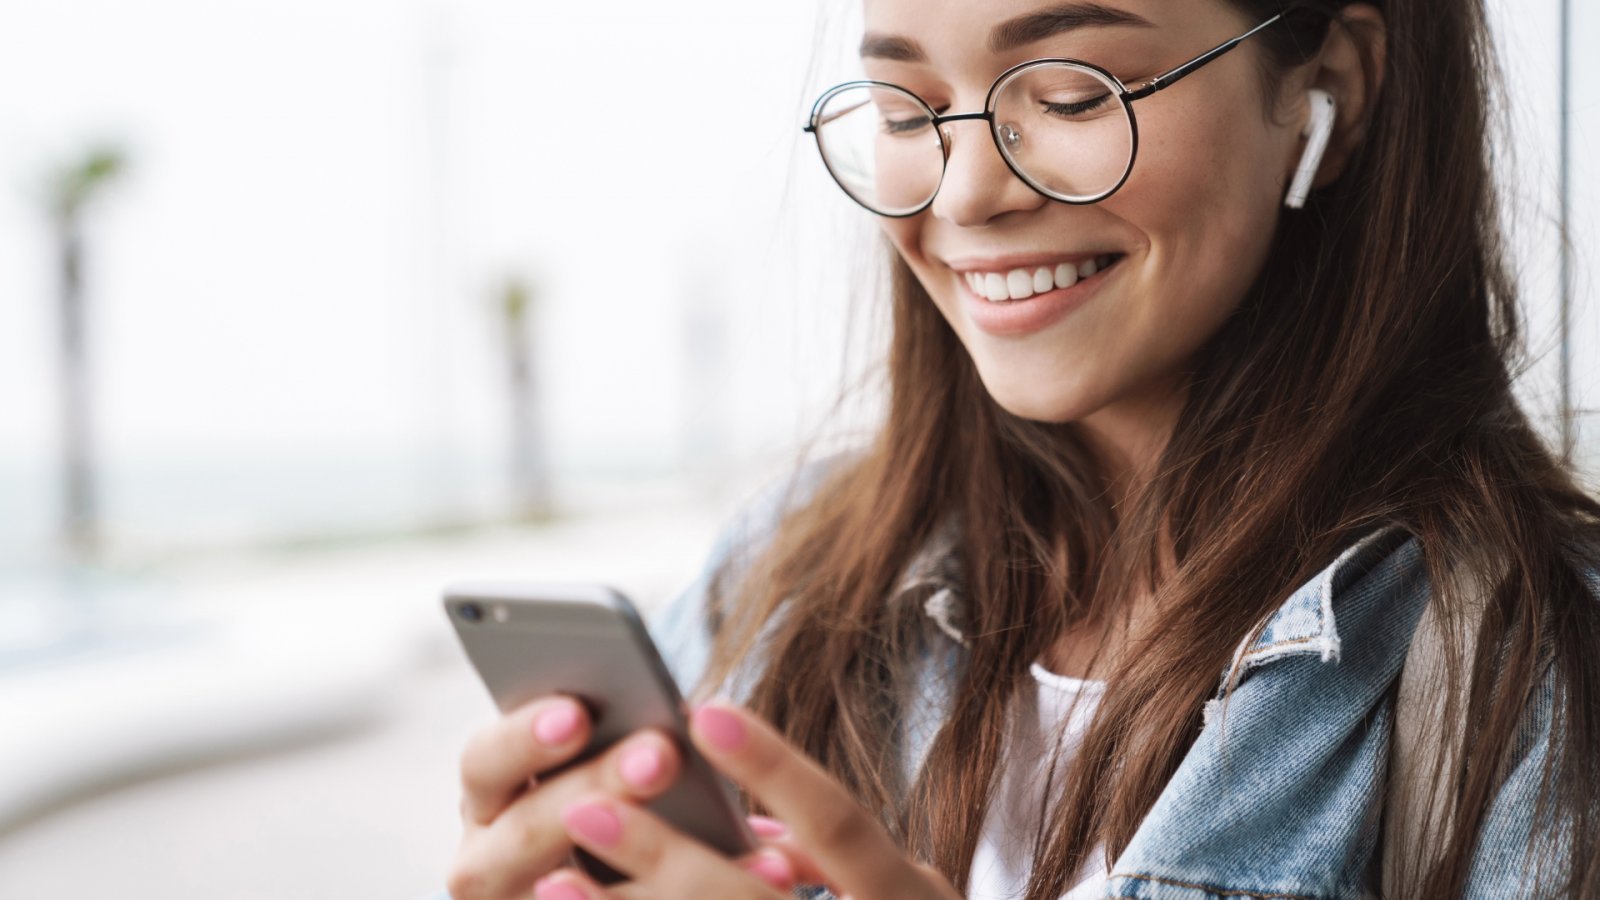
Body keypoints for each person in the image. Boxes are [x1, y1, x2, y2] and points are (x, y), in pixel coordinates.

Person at [444, 1, 1600, 897]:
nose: (967, 189)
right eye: (905, 111)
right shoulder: (773, 579)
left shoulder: (1532, 659)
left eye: (1069, 91)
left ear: (1327, 82)